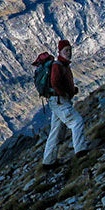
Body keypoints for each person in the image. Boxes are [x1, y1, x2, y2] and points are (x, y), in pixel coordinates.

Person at [42, 39, 88, 169]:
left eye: (70, 50)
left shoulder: (63, 65)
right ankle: (81, 152)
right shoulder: (58, 65)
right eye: (66, 50)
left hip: (56, 101)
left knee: (56, 131)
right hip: (60, 101)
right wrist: (64, 94)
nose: (69, 53)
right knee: (77, 121)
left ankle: (48, 162)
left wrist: (72, 91)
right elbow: (55, 82)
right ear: (60, 52)